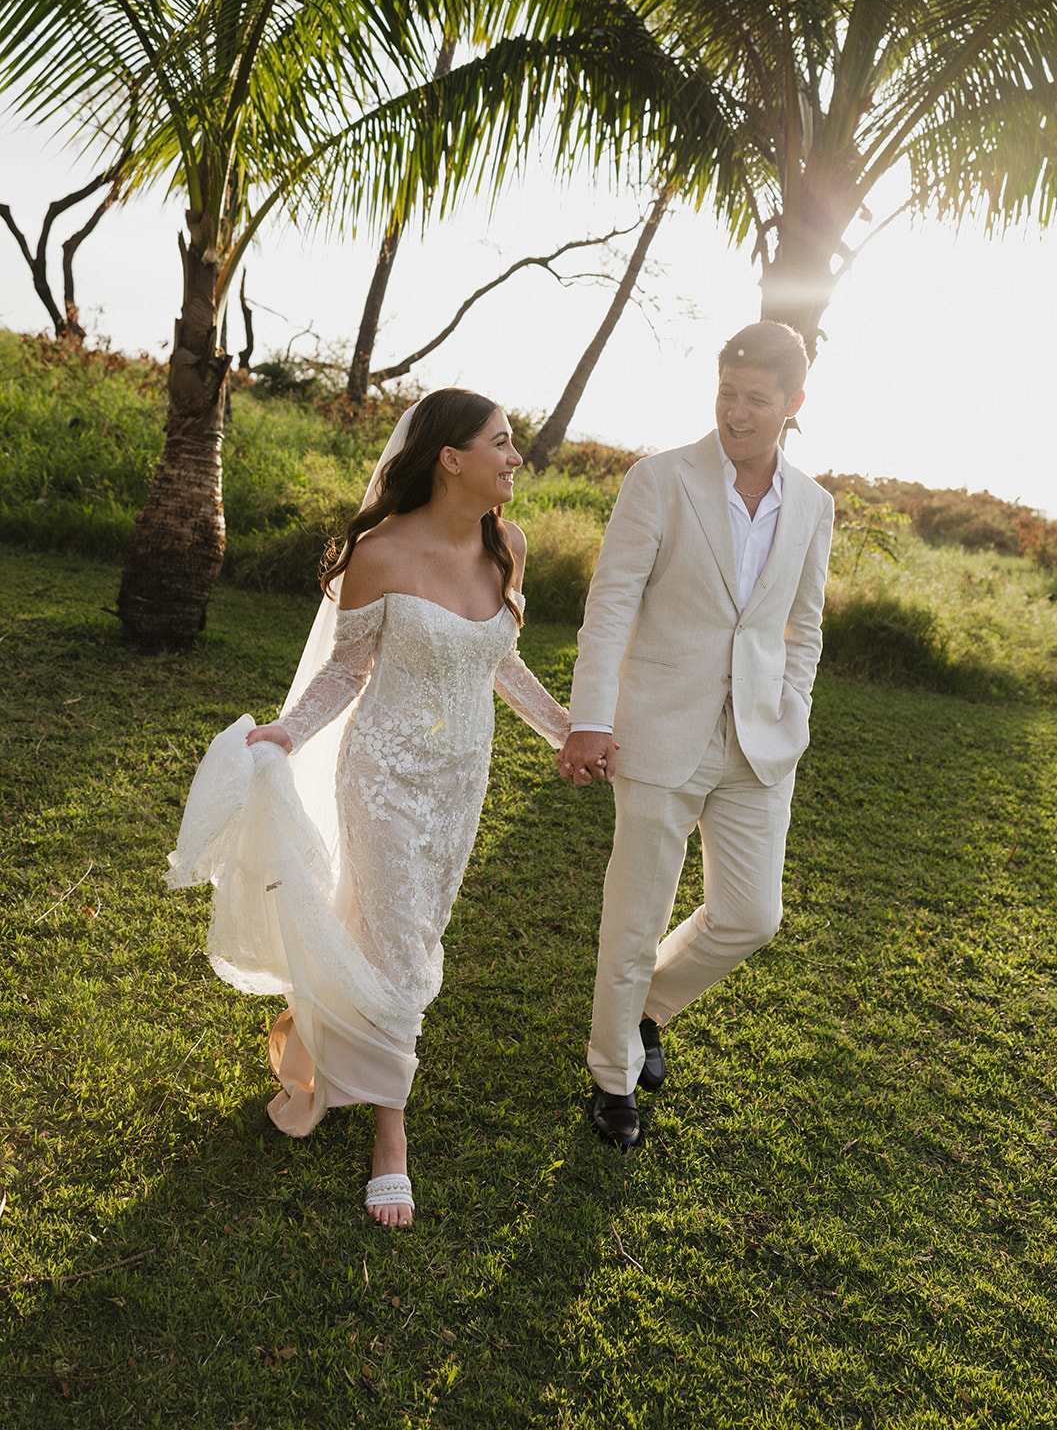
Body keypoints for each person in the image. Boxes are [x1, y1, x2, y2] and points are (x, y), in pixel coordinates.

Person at [167, 390, 570, 1225]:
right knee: (398, 946)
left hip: (462, 777)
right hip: (384, 773)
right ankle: (391, 1134)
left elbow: (499, 661)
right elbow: (346, 670)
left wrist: (569, 733)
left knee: (410, 927)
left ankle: (321, 1035)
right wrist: (287, 732)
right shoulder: (378, 552)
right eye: (500, 443)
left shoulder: (508, 546)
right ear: (450, 459)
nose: (515, 459)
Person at [556, 321, 834, 1147]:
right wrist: (590, 718)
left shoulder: (813, 504)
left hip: (759, 742)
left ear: (793, 403)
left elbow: (803, 625)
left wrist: (792, 706)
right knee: (634, 918)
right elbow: (610, 604)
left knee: (751, 916)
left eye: (755, 400)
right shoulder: (659, 479)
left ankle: (647, 1009)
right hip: (656, 728)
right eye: (726, 393)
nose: (735, 412)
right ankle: (613, 1077)